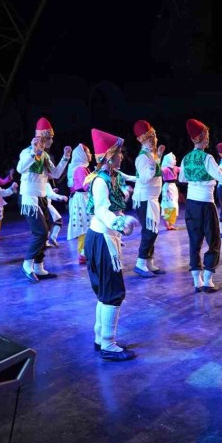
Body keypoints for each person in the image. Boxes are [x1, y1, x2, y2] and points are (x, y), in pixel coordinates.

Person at [86, 128, 138, 361]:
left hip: (104, 236)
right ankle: (108, 344)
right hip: (103, 238)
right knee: (113, 291)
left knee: (105, 291)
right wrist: (119, 222)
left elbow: (114, 202)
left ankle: (101, 338)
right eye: (118, 153)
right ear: (108, 157)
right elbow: (101, 209)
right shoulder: (100, 181)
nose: (122, 156)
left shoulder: (112, 176)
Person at [179, 119, 222, 293]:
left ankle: (197, 281)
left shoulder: (186, 158)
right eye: (207, 135)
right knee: (214, 241)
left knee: (195, 241)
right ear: (202, 137)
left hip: (191, 204)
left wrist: (197, 178)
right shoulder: (207, 158)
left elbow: (182, 178)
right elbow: (221, 177)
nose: (208, 138)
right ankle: (208, 280)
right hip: (205, 204)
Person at [16, 117, 71, 282]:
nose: (52, 141)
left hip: (41, 197)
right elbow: (20, 168)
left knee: (45, 232)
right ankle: (27, 265)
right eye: (50, 138)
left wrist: (65, 157)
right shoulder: (27, 152)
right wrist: (34, 152)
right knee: (40, 232)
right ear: (43, 138)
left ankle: (39, 267)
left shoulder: (45, 155)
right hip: (29, 198)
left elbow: (55, 174)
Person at [132, 120, 166, 277]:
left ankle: (149, 262)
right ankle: (140, 263)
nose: (155, 140)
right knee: (149, 231)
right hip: (145, 198)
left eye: (155, 136)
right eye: (151, 138)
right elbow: (145, 178)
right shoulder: (142, 157)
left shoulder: (150, 155)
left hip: (152, 198)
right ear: (144, 140)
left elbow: (154, 168)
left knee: (153, 231)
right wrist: (153, 163)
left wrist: (158, 156)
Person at [67, 144, 93, 264]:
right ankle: (84, 252)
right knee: (86, 225)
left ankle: (85, 252)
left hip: (84, 197)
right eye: (88, 152)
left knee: (87, 225)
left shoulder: (82, 168)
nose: (90, 154)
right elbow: (86, 185)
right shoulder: (80, 169)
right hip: (82, 199)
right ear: (81, 155)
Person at [160, 152, 180, 231]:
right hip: (167, 187)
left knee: (174, 205)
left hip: (173, 187)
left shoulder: (175, 168)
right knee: (169, 205)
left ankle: (170, 224)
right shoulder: (166, 169)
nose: (175, 160)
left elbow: (183, 169)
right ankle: (167, 223)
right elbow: (160, 170)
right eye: (173, 159)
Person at [44, 181, 68, 247]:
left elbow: (47, 193)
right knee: (58, 221)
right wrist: (62, 197)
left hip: (43, 205)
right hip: (47, 206)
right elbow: (50, 195)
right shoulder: (45, 182)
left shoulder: (39, 181)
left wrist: (52, 191)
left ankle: (45, 242)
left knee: (47, 224)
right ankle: (52, 238)